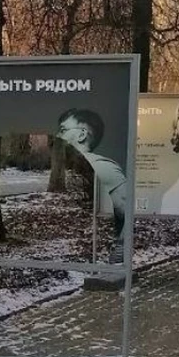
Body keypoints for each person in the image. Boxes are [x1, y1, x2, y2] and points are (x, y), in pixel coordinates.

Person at [57, 108, 126, 264]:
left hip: (93, 261)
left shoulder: (104, 168)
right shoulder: (68, 167)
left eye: (63, 130)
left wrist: (117, 254)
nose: (57, 136)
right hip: (71, 258)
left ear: (82, 135)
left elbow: (127, 214)